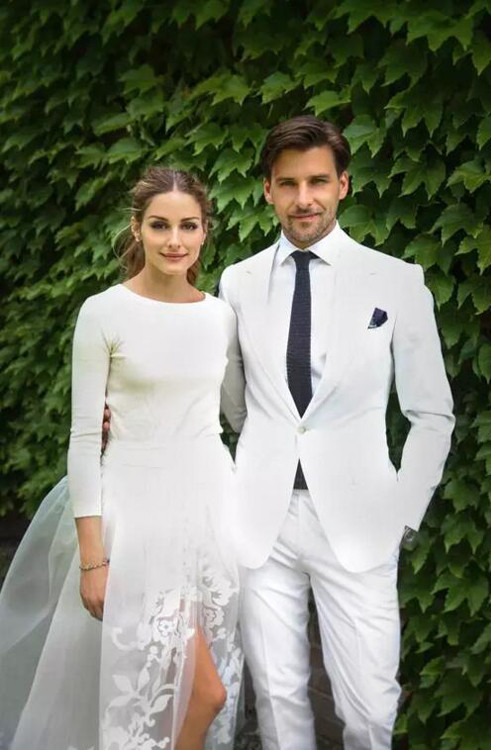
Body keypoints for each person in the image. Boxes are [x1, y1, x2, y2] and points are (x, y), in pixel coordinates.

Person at [218, 116, 455, 749]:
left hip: (361, 519)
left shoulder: (396, 280)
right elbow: (237, 402)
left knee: (370, 711)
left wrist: (403, 514)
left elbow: (432, 413)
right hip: (261, 521)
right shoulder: (237, 282)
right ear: (267, 190)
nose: (304, 199)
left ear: (343, 185)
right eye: (288, 184)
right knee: (277, 701)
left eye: (318, 182)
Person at [0, 167, 245, 750]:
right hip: (136, 518)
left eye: (188, 226)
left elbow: (239, 414)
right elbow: (85, 437)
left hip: (211, 514)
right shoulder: (103, 312)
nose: (175, 241)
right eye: (160, 226)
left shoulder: (220, 316)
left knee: (183, 693)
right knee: (199, 693)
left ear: (205, 230)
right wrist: (93, 559)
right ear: (137, 228)